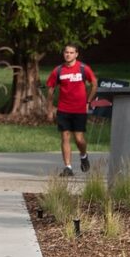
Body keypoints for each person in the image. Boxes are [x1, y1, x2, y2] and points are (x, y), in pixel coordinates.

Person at [46, 43, 97, 177]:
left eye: (71, 52)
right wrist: (50, 108)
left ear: (76, 54)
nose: (68, 54)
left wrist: (88, 101)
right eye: (66, 52)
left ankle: (83, 155)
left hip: (79, 109)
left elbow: (94, 84)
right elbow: (51, 89)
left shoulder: (83, 68)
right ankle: (68, 167)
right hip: (63, 108)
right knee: (65, 137)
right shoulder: (58, 70)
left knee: (79, 139)